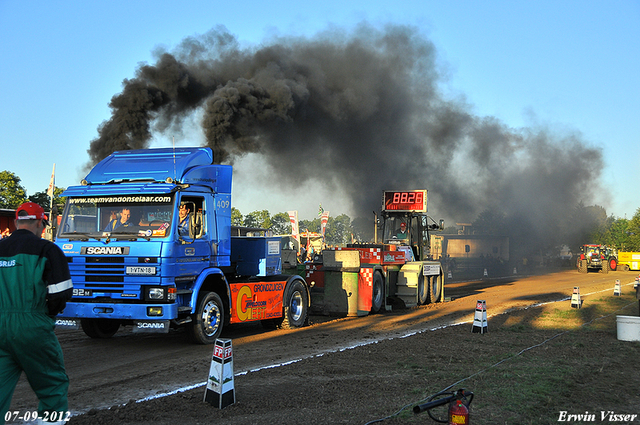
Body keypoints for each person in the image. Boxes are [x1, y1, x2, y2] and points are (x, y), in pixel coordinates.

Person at [0, 202, 73, 425]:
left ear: (15, 222)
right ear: (40, 223)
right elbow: (61, 293)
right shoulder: (47, 249)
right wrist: (45, 315)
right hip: (32, 323)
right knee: (52, 384)